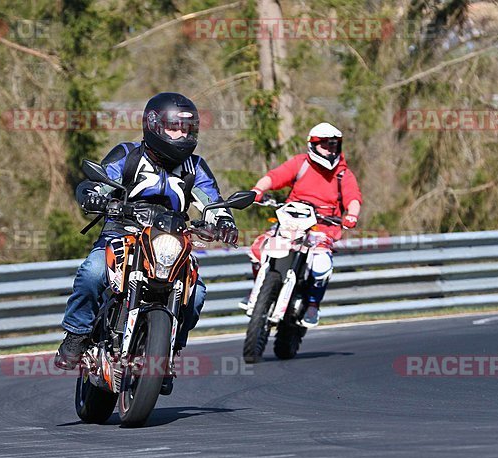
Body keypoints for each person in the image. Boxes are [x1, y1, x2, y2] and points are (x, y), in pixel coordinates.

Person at [54, 92, 238, 373]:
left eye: (185, 129)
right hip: (122, 232)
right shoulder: (128, 155)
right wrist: (93, 196)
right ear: (153, 125)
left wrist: (224, 222)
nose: (180, 135)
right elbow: (98, 183)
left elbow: (213, 202)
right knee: (92, 272)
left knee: (197, 295)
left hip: (173, 241)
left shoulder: (195, 167)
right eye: (173, 127)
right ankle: (77, 335)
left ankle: (169, 350)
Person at [244, 122, 362, 327]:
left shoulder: (343, 173)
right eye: (325, 145)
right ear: (313, 145)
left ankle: (313, 305)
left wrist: (352, 215)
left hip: (323, 228)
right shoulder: (301, 163)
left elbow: (353, 198)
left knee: (321, 265)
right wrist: (257, 190)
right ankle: (259, 289)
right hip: (291, 223)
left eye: (334, 145)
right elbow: (274, 177)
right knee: (258, 250)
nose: (330, 150)